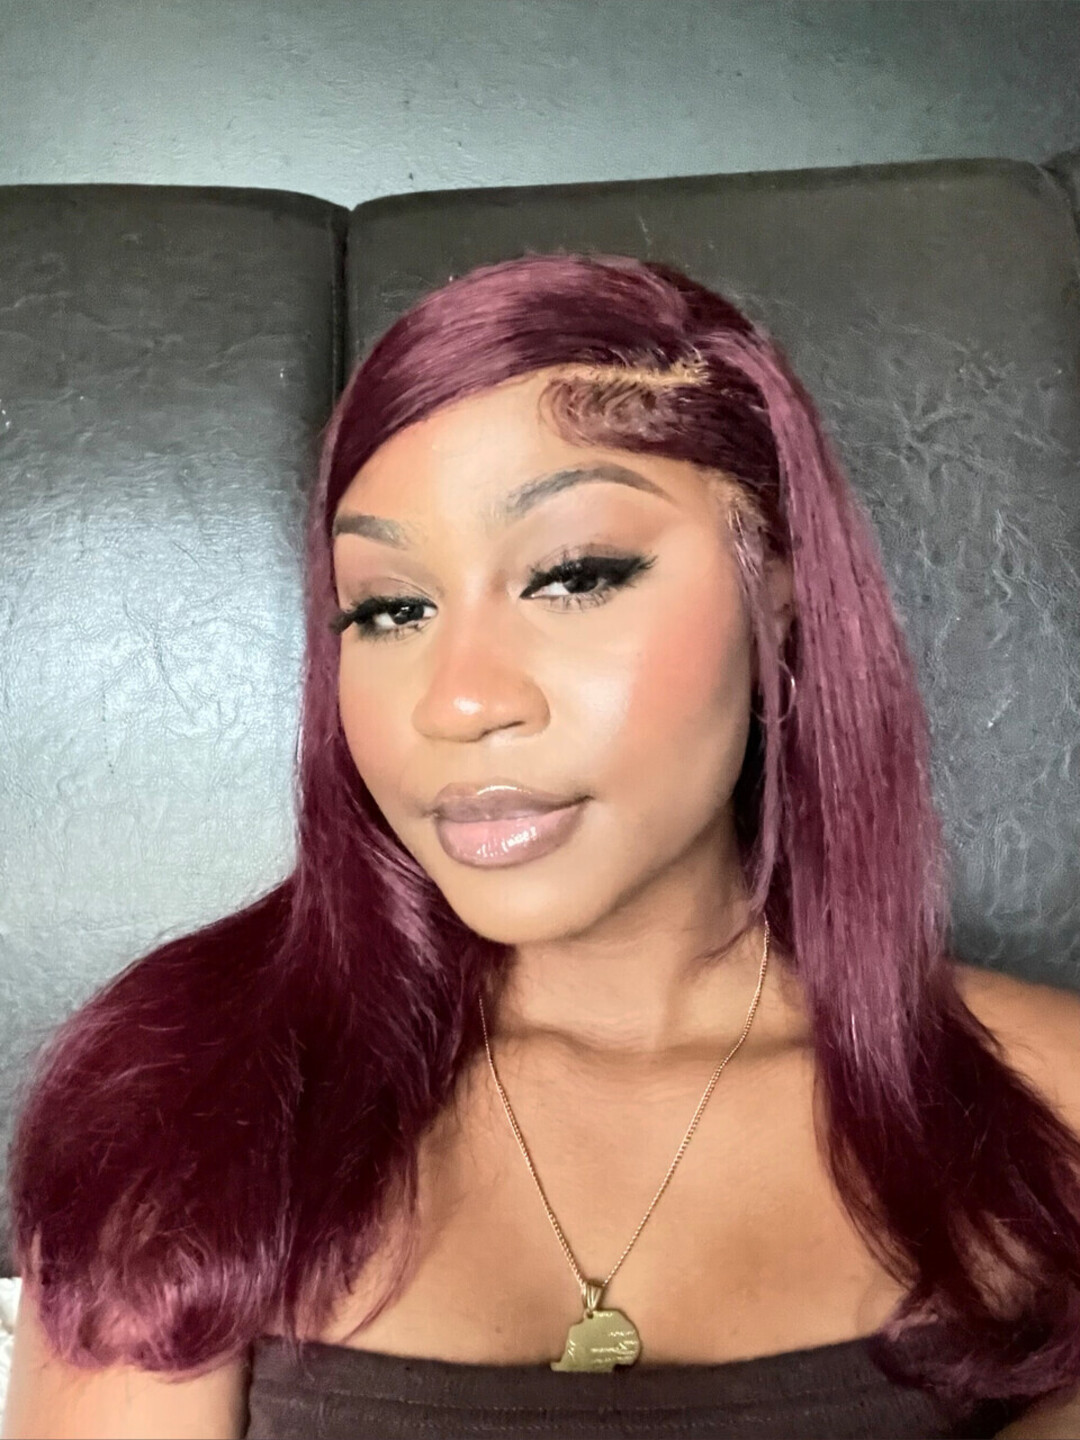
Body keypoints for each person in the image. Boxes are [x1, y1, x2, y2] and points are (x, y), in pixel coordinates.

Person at [5, 253, 1080, 1440]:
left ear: (778, 597)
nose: (458, 701)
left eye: (572, 577)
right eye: (390, 608)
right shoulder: (189, 1096)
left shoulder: (1055, 1109)